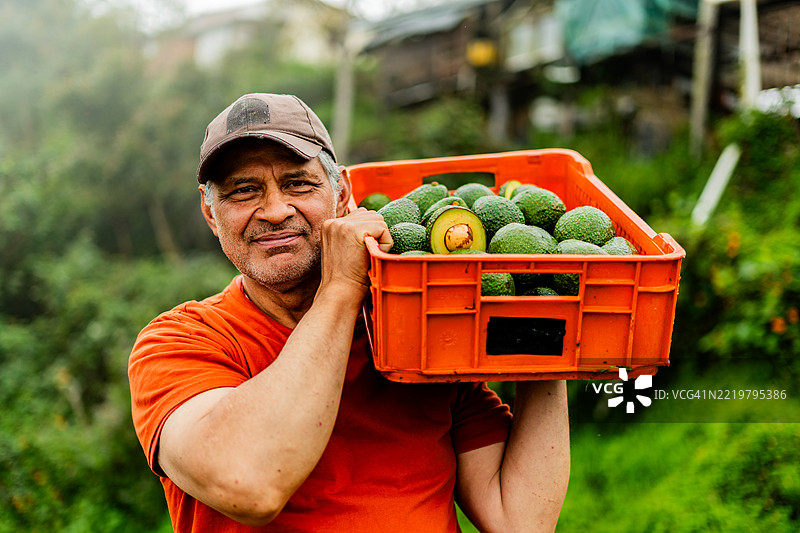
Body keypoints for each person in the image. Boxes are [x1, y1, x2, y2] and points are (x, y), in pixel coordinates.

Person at [128, 92, 570, 532]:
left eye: (298, 183)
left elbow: (521, 522)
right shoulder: (177, 343)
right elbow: (250, 485)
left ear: (342, 193)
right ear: (210, 213)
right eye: (244, 191)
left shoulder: (411, 328)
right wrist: (341, 287)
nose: (276, 211)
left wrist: (552, 331)